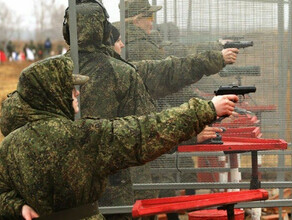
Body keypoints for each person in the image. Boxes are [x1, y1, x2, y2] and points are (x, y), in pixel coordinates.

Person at [0, 52, 238, 219]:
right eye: (70, 89)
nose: (76, 94)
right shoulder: (82, 137)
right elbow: (144, 132)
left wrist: (17, 207)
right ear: (52, 94)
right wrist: (206, 109)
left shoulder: (10, 145)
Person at [62, 1, 238, 219]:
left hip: (69, 189)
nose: (123, 45)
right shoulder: (122, 74)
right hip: (117, 189)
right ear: (103, 33)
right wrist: (204, 113)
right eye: (117, 40)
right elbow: (148, 129)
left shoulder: (53, 73)